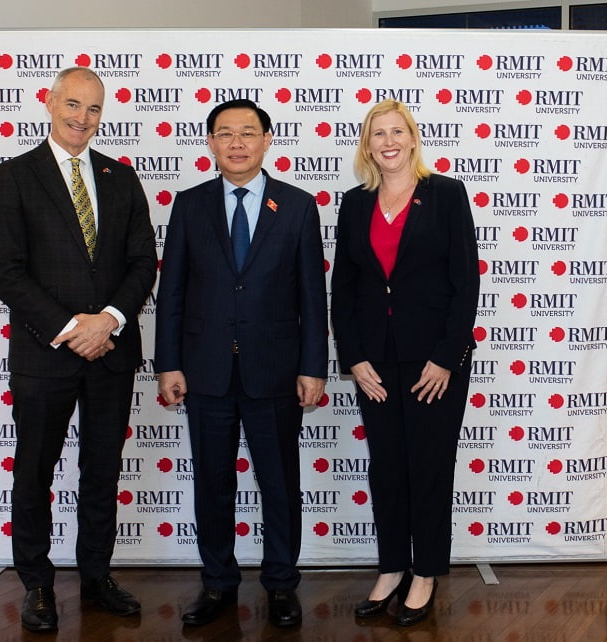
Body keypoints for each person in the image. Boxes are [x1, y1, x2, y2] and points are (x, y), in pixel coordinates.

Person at [0, 66, 157, 633]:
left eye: (94, 108)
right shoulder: (15, 176)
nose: (83, 118)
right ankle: (36, 583)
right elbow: (6, 272)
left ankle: (96, 576)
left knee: (102, 471)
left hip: (111, 351)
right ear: (50, 102)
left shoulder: (120, 177)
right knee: (34, 472)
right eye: (74, 104)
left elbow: (142, 262)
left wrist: (107, 322)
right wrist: (69, 328)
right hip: (44, 355)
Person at [155, 99, 328, 628]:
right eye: (224, 133)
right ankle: (217, 583)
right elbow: (172, 291)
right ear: (210, 143)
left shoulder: (297, 206)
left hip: (275, 371)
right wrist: (168, 363)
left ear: (267, 139)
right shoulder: (190, 205)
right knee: (212, 483)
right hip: (204, 371)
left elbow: (311, 296)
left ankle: (281, 583)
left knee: (279, 483)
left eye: (247, 132)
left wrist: (313, 366)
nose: (236, 143)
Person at [330, 99, 479, 626]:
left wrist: (446, 358)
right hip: (376, 364)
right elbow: (343, 289)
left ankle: (425, 573)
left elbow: (466, 282)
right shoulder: (354, 203)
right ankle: (392, 567)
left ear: (413, 139)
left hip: (433, 363)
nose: (388, 141)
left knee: (429, 469)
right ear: (367, 146)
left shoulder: (446, 194)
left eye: (397, 131)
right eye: (378, 134)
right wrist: (354, 358)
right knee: (388, 469)